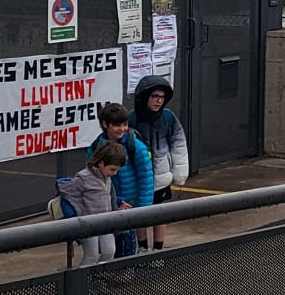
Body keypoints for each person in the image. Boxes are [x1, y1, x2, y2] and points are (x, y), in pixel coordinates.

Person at [131, 75, 191, 252]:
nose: (159, 101)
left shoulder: (168, 117)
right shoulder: (133, 118)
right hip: (140, 176)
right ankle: (142, 248)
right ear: (145, 97)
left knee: (159, 213)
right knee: (140, 212)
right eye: (155, 96)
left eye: (162, 97)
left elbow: (179, 144)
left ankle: (158, 250)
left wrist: (180, 173)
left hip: (161, 176)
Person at [92, 103, 153, 257]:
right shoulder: (96, 146)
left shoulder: (136, 147)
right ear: (105, 124)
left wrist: (143, 209)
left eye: (124, 124)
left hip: (129, 206)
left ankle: (125, 269)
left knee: (126, 246)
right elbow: (92, 175)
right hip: (108, 206)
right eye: (117, 125)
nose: (122, 129)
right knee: (107, 247)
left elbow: (146, 178)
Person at [59, 142, 128, 266]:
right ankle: (84, 276)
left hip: (106, 220)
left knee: (109, 251)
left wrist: (118, 201)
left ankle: (99, 274)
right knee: (92, 255)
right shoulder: (83, 177)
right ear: (101, 163)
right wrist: (74, 218)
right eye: (112, 169)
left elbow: (106, 195)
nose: (114, 173)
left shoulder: (107, 177)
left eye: (117, 170)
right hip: (88, 223)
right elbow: (70, 196)